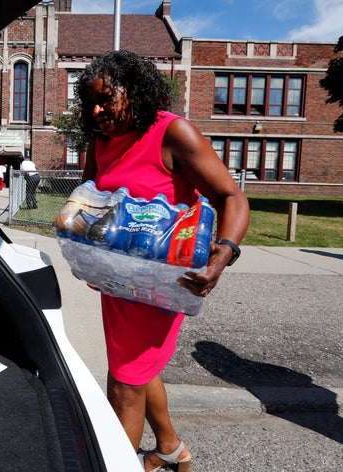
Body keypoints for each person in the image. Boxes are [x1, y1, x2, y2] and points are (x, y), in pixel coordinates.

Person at [76, 50, 249, 472]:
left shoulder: (174, 133)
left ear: (134, 91)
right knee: (137, 366)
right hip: (119, 280)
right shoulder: (101, 140)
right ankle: (171, 447)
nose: (97, 110)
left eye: (107, 98)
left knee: (123, 385)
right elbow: (91, 197)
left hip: (163, 283)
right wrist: (89, 255)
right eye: (90, 103)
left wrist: (222, 255)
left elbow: (232, 197)